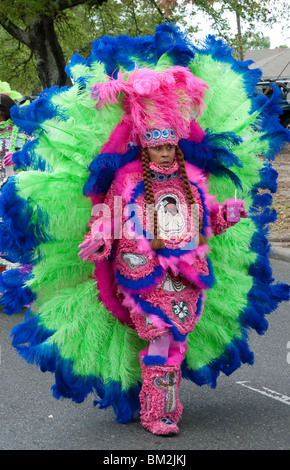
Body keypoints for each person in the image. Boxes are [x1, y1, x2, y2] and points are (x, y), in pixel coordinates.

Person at [78, 67, 249, 435]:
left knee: (174, 339)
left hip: (183, 276)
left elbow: (206, 225)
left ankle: (165, 408)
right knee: (158, 335)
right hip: (144, 274)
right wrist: (99, 238)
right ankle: (158, 414)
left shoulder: (191, 179)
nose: (167, 151)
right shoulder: (129, 179)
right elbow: (109, 215)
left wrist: (227, 215)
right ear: (144, 144)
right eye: (159, 145)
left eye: (171, 145)